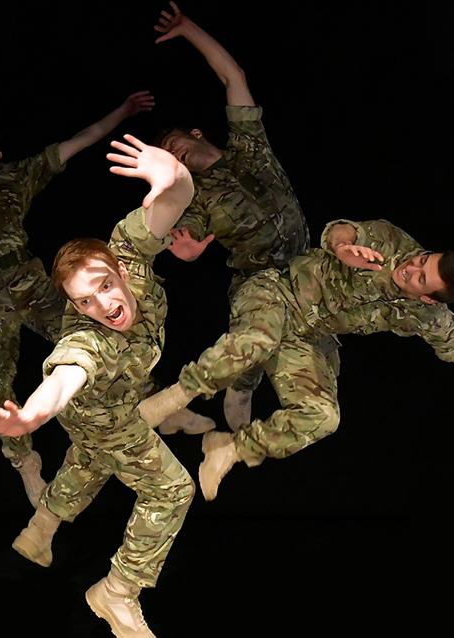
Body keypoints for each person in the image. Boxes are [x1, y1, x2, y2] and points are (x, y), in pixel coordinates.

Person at [138, 218, 454, 501]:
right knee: (258, 340)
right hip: (276, 292)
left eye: (420, 278)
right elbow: (342, 229)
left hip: (307, 337)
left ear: (429, 298)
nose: (410, 268)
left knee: (324, 417)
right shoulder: (391, 242)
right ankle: (171, 400)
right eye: (420, 260)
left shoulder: (428, 317)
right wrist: (342, 247)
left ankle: (228, 449)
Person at [0, 92, 208, 507]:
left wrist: (124, 111)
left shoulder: (17, 173)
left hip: (25, 278)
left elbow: (79, 141)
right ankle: (25, 462)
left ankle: (159, 405)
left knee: (97, 335)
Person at [0, 134, 196, 638]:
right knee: (171, 489)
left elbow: (178, 196)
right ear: (74, 306)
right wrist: (31, 417)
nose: (103, 305)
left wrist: (173, 174)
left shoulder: (128, 251)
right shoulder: (85, 338)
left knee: (90, 463)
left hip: (108, 403)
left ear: (119, 269)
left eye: (104, 286)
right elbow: (63, 379)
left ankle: (38, 533)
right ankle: (117, 591)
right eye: (85, 302)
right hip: (97, 410)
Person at [153, 2, 311, 431]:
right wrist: (186, 253)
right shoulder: (196, 199)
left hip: (303, 263)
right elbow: (183, 238)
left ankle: (253, 383)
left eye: (173, 143)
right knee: (255, 341)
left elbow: (233, 76)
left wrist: (188, 28)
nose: (173, 153)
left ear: (195, 133)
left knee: (314, 345)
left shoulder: (248, 145)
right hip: (257, 279)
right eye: (167, 157)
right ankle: (241, 386)